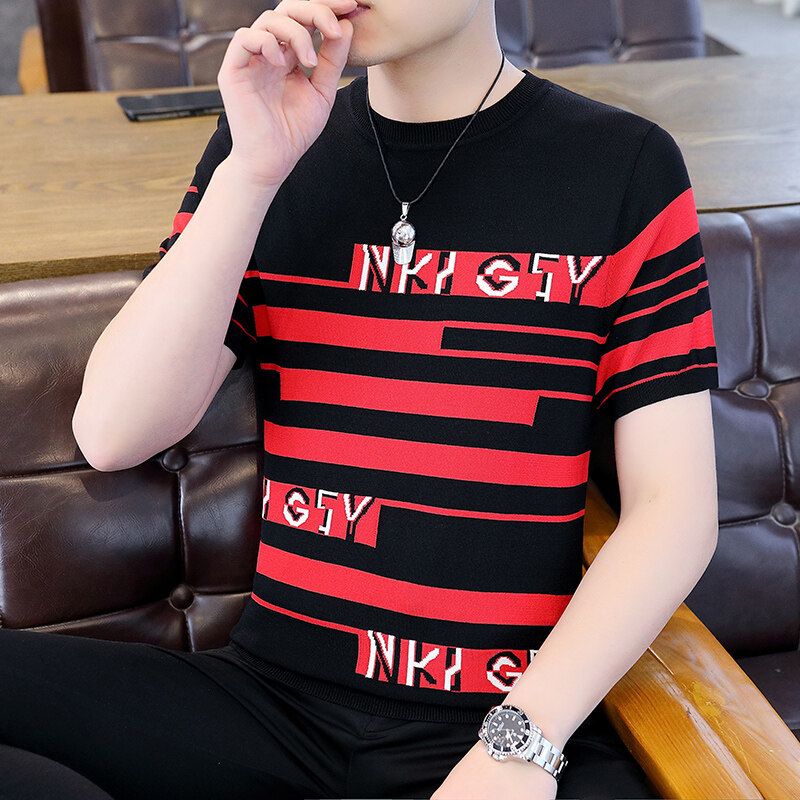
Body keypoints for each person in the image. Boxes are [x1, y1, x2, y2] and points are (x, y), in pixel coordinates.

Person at [0, 1, 720, 798]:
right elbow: (113, 432)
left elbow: (673, 509)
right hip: (271, 706)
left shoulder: (622, 165)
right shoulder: (267, 142)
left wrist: (522, 743)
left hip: (493, 724)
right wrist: (251, 172)